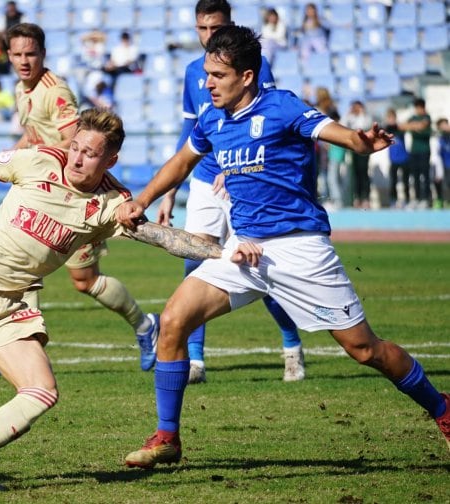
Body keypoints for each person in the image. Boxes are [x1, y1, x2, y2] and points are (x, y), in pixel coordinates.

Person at [0, 107, 249, 491]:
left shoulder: (112, 204)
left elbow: (165, 238)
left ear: (110, 160)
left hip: (9, 306)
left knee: (41, 390)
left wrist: (228, 252)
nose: (77, 158)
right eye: (76, 147)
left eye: (90, 154)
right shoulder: (36, 161)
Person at [116, 25, 450, 469]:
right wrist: (141, 199)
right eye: (207, 74)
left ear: (247, 76)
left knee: (364, 350)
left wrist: (360, 142)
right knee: (175, 319)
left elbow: (340, 134)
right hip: (244, 250)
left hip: (300, 248)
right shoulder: (211, 118)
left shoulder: (281, 106)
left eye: (218, 75)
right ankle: (167, 437)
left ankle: (443, 410)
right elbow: (181, 162)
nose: (208, 83)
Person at [155, 0, 304, 385]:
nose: (208, 38)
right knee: (194, 261)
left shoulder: (256, 68)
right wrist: (170, 189)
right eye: (201, 30)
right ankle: (196, 361)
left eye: (215, 29)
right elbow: (190, 132)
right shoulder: (194, 72)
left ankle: (291, 345)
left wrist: (234, 167)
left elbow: (264, 125)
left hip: (244, 175)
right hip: (205, 179)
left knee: (258, 266)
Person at [6, 22, 160, 372]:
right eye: (17, 54)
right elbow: (33, 136)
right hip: (45, 192)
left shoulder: (55, 91)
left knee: (84, 281)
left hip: (75, 197)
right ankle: (19, 346)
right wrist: (13, 159)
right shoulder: (21, 89)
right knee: (25, 264)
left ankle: (146, 325)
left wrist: (35, 159)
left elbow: (77, 143)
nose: (24, 60)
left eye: (31, 53)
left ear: (43, 54)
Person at [400, 98, 432, 209]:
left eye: (418, 107)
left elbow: (423, 125)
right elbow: (402, 126)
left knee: (425, 175)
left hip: (424, 151)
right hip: (414, 151)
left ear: (422, 107)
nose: (417, 110)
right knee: (415, 176)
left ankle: (426, 199)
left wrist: (413, 126)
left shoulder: (427, 117)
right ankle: (417, 199)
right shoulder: (413, 118)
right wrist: (416, 126)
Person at [343, 100, 373, 208]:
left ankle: (365, 197)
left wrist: (362, 113)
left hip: (364, 149)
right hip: (354, 149)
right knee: (355, 174)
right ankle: (357, 197)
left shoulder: (366, 117)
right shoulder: (350, 118)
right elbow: (343, 125)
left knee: (364, 173)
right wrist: (348, 113)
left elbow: (366, 125)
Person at [385, 108, 410, 208]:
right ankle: (393, 200)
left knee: (405, 181)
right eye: (389, 118)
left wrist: (396, 124)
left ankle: (407, 201)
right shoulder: (387, 129)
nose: (391, 120)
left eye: (392, 118)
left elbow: (405, 126)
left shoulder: (400, 128)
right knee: (393, 181)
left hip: (404, 158)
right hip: (393, 159)